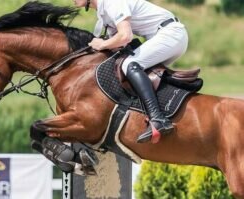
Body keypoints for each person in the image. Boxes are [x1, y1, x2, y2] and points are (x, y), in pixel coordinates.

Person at [73, 0, 189, 143]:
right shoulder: (103, 14)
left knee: (130, 64)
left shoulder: (112, 3)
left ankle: (158, 118)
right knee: (127, 68)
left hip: (170, 34)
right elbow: (119, 45)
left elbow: (124, 36)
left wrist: (102, 44)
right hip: (165, 36)